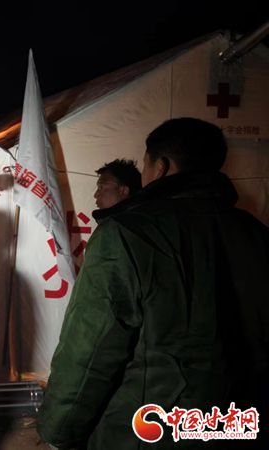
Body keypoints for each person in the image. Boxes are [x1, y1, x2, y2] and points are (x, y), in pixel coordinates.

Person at [38, 118, 269, 449]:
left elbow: (90, 351)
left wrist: (59, 429)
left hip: (147, 430)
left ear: (161, 167)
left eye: (145, 165)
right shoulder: (257, 233)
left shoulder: (126, 234)